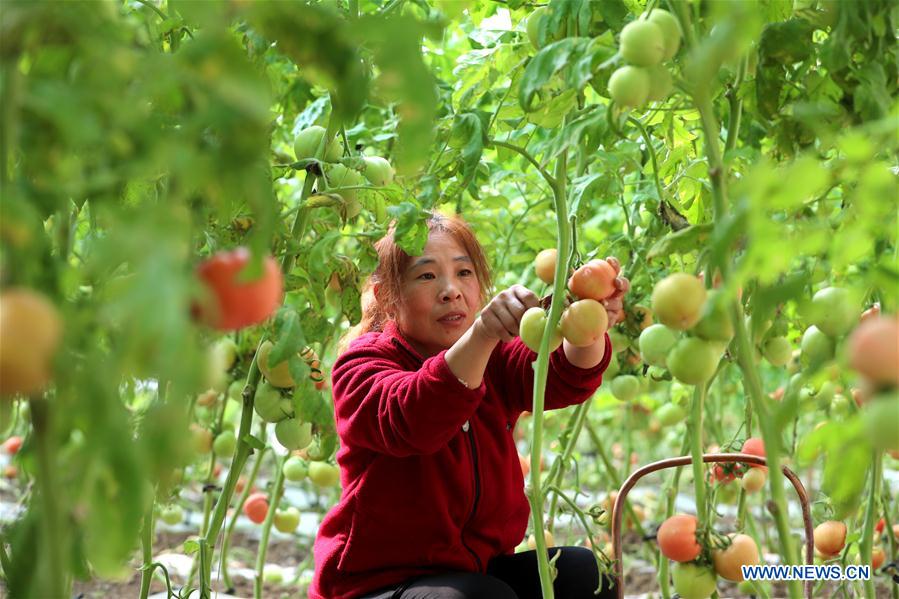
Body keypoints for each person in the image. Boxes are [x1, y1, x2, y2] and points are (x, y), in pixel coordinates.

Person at [309, 211, 630, 599]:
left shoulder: (494, 360)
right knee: (479, 598)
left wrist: (588, 323)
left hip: (478, 569)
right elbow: (416, 417)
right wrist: (482, 333)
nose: (451, 290)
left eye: (464, 273)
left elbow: (562, 376)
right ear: (386, 297)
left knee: (587, 575)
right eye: (426, 275)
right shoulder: (362, 365)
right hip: (377, 584)